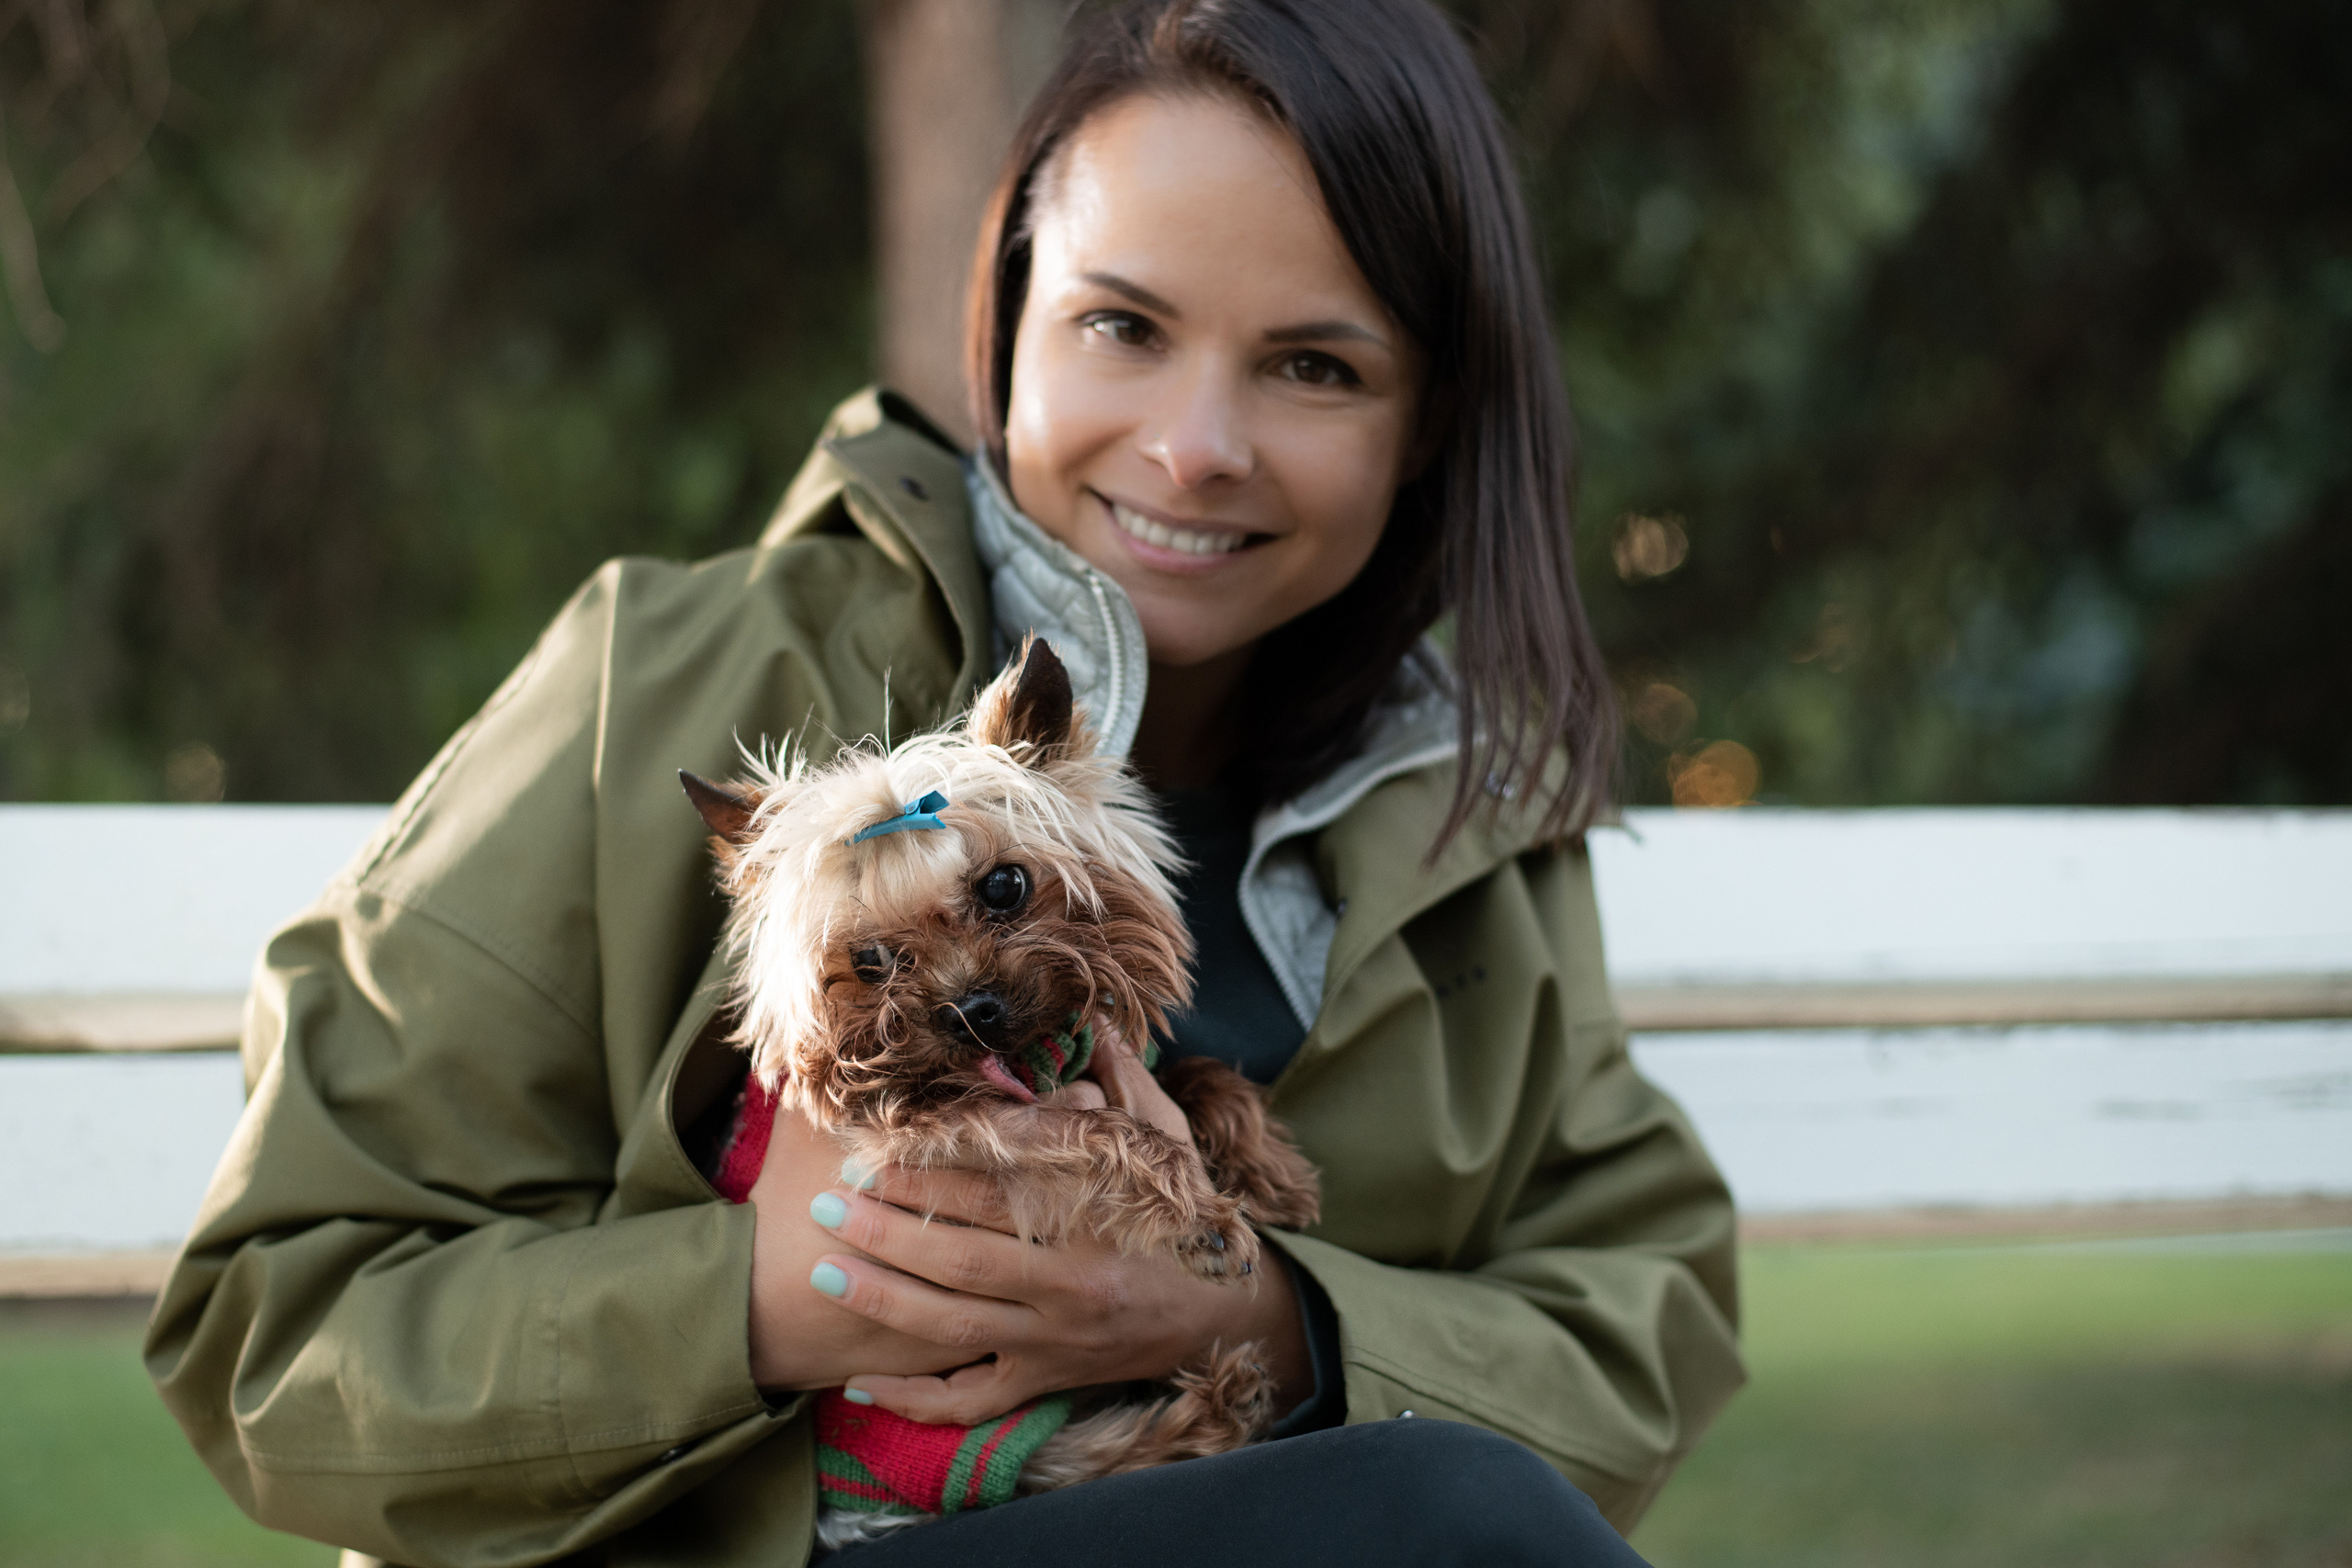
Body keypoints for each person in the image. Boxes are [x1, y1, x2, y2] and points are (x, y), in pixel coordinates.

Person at [145, 2, 1744, 1564]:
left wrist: (1257, 1308)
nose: (1196, 447)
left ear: (1428, 420)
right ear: (1009, 313)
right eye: (1123, 325)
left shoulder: (1463, 801)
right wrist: (782, 1293)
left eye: (1314, 366)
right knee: (1442, 1526)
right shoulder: (664, 680)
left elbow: (1639, 1324)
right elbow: (273, 1332)